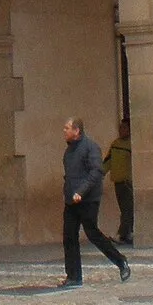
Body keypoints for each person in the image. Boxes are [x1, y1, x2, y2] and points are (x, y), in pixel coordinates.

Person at [60, 117, 131, 287]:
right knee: (69, 236)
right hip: (71, 200)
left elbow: (96, 172)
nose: (64, 131)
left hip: (88, 200)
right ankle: (74, 276)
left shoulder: (90, 148)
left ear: (77, 131)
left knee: (92, 234)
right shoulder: (69, 151)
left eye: (67, 128)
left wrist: (81, 191)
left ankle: (120, 261)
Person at [105, 119, 135, 244]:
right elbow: (108, 161)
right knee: (124, 209)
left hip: (127, 181)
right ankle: (127, 234)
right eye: (120, 128)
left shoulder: (131, 145)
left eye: (124, 128)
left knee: (128, 209)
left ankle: (123, 234)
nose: (121, 131)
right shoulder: (115, 144)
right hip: (118, 181)